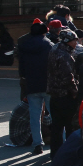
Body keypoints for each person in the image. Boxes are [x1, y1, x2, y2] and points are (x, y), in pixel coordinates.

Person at [18, 19, 53, 155]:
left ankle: (37, 143)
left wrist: (24, 78)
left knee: (35, 115)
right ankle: (59, 141)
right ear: (44, 32)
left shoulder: (24, 46)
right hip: (47, 84)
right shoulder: (49, 45)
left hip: (32, 84)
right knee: (54, 114)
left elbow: (22, 67)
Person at [46, 29, 80, 160]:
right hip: (65, 96)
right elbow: (68, 77)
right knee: (69, 126)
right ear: (67, 41)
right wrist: (75, 92)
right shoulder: (65, 55)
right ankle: (69, 154)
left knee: (57, 127)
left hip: (54, 95)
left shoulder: (54, 50)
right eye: (74, 40)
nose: (76, 43)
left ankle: (55, 154)